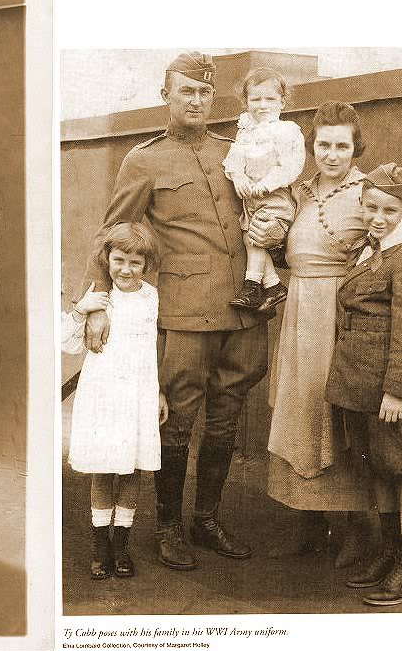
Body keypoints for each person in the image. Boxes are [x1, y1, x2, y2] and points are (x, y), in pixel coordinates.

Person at [83, 51, 268, 571]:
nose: (197, 100)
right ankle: (167, 525)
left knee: (227, 416)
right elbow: (111, 232)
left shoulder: (236, 152)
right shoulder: (144, 159)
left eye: (205, 92)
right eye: (186, 90)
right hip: (186, 313)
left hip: (244, 309)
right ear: (166, 94)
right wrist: (98, 304)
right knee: (178, 420)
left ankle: (206, 519)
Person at [260, 101, 372, 562]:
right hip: (299, 313)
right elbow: (287, 250)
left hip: (339, 315)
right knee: (300, 410)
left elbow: (384, 257)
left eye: (341, 145)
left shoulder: (368, 193)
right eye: (323, 144)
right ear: (312, 146)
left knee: (333, 411)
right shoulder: (300, 192)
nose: (331, 154)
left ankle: (354, 528)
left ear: (355, 147)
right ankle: (308, 520)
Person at [325, 163, 402, 607]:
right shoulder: (369, 251)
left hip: (390, 391)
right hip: (360, 384)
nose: (378, 217)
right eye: (371, 207)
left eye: (389, 210)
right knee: (379, 468)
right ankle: (390, 554)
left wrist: (398, 391)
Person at [62, 223, 168, 580]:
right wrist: (81, 310)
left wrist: (158, 391)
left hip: (138, 394)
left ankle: (121, 545)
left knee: (131, 468)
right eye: (119, 260)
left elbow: (153, 349)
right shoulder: (98, 298)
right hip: (104, 395)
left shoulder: (152, 297)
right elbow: (66, 343)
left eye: (135, 262)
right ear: (106, 260)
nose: (126, 269)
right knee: (104, 468)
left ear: (147, 264)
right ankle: (99, 546)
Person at [222, 67, 304, 312]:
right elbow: (233, 161)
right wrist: (238, 179)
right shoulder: (245, 132)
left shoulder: (286, 130)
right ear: (246, 102)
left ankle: (252, 285)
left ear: (282, 102)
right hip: (251, 199)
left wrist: (265, 184)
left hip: (274, 197)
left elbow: (291, 165)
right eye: (255, 99)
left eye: (270, 99)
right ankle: (274, 285)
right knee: (249, 238)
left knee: (257, 238)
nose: (262, 105)